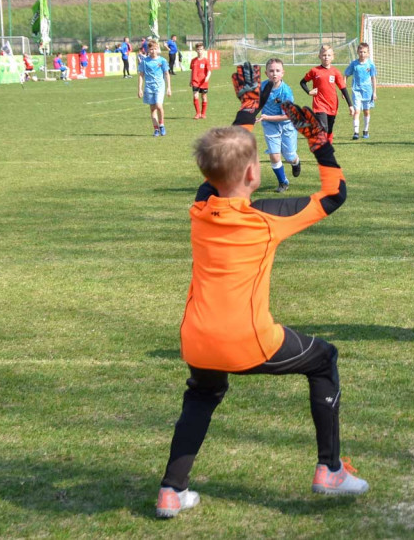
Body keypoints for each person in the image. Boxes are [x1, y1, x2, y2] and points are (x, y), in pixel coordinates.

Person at [154, 120, 368, 519]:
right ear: (254, 173)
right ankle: (331, 470)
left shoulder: (199, 209)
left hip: (196, 338)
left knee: (202, 395)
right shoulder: (265, 217)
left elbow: (216, 170)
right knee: (323, 359)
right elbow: (334, 195)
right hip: (248, 341)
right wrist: (321, 146)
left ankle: (171, 490)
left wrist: (246, 114)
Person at [258, 58, 302, 192]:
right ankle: (283, 182)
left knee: (289, 156)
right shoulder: (262, 87)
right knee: (274, 155)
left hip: (287, 126)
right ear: (266, 73)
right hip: (269, 125)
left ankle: (296, 162)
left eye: (277, 71)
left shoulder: (286, 91)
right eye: (271, 71)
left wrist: (267, 116)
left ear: (283, 73)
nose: (274, 73)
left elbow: (288, 115)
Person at [300, 45, 355, 144]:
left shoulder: (336, 72)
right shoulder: (314, 71)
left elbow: (343, 88)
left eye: (329, 55)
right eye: (324, 55)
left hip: (332, 104)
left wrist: (350, 105)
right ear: (319, 56)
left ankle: (328, 145)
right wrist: (309, 92)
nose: (326, 57)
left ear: (333, 57)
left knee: (329, 128)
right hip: (319, 104)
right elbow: (302, 82)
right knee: (323, 127)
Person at [137, 40, 172, 136]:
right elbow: (141, 75)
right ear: (148, 50)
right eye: (151, 49)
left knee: (159, 106)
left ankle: (161, 124)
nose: (153, 51)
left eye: (155, 49)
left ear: (158, 49)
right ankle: (156, 129)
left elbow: (166, 74)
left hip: (159, 86)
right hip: (149, 87)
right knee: (152, 109)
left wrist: (169, 87)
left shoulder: (162, 61)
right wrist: (139, 88)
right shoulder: (145, 62)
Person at [345, 43, 377, 140]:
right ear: (357, 52)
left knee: (366, 111)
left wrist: (374, 92)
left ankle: (366, 130)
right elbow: (346, 74)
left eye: (364, 52)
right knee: (356, 111)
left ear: (368, 53)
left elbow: (373, 78)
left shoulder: (370, 64)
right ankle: (356, 132)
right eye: (360, 52)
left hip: (367, 91)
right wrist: (344, 88)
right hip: (356, 91)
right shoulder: (354, 64)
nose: (362, 54)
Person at [189, 43, 211, 120]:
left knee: (204, 96)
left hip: (203, 82)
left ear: (203, 50)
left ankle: (203, 113)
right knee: (195, 95)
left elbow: (209, 71)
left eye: (201, 49)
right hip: (195, 81)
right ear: (196, 50)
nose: (199, 51)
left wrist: (207, 77)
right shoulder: (193, 61)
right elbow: (192, 71)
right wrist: (190, 80)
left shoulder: (206, 61)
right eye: (198, 49)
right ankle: (198, 113)